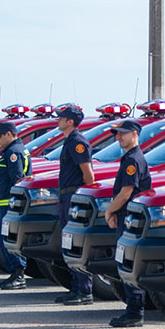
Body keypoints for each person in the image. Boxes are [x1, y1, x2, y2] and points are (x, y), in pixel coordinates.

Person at [103, 120, 152, 327]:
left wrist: (109, 211)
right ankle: (133, 309)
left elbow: (126, 193)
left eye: (122, 134)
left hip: (131, 219)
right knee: (125, 263)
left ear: (134, 134)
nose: (118, 138)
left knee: (128, 264)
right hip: (127, 217)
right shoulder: (130, 157)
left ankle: (135, 312)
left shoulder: (133, 160)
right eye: (117, 134)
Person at [54, 105, 96, 305]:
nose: (58, 120)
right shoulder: (69, 141)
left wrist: (82, 197)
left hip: (74, 196)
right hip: (66, 196)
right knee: (68, 242)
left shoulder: (77, 142)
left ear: (70, 121)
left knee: (76, 242)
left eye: (61, 118)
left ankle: (85, 290)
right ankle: (75, 287)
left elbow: (88, 174)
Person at [0, 121, 31, 289]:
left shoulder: (14, 152)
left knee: (11, 239)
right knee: (7, 239)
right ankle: (14, 273)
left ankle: (18, 275)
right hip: (5, 204)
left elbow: (17, 178)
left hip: (9, 205)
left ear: (8, 134)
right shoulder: (11, 151)